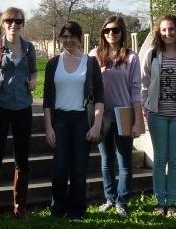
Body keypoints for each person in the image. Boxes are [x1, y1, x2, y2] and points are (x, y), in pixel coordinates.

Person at [43, 21, 104, 220]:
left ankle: (76, 210)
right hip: (59, 119)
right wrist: (48, 127)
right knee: (60, 168)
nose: (69, 40)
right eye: (65, 37)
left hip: (81, 120)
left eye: (72, 36)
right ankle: (57, 207)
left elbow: (100, 98)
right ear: (60, 39)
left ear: (79, 39)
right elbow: (47, 98)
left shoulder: (90, 62)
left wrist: (96, 124)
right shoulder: (53, 63)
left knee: (79, 168)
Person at [141, 14, 176, 217]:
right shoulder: (152, 54)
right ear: (159, 32)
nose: (168, 33)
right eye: (164, 29)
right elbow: (145, 83)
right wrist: (145, 107)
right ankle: (159, 202)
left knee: (174, 159)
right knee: (159, 159)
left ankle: (171, 203)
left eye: (171, 29)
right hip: (157, 113)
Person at [0, 7, 38, 220]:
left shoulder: (28, 48)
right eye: (9, 21)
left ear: (23, 24)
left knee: (22, 158)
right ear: (3, 23)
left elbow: (33, 71)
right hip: (0, 107)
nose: (13, 24)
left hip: (23, 106)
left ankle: (20, 205)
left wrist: (33, 82)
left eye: (18, 21)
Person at [92, 15, 144, 218]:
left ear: (122, 33)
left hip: (123, 113)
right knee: (106, 159)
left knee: (124, 159)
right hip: (102, 114)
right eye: (107, 30)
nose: (111, 34)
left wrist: (138, 120)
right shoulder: (94, 54)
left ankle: (122, 201)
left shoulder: (131, 57)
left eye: (115, 30)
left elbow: (136, 90)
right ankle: (109, 198)